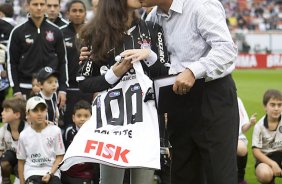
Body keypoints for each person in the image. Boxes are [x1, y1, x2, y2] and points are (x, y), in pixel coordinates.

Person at [139, 0, 239, 184]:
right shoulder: (152, 16)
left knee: (219, 175)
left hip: (212, 95)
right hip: (177, 98)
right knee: (182, 173)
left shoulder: (200, 5)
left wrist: (194, 70)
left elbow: (226, 49)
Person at [77, 0, 170, 183]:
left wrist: (149, 55)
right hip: (113, 123)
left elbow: (165, 73)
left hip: (146, 121)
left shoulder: (152, 28)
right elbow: (83, 82)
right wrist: (113, 74)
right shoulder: (94, 33)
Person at [7, 0, 68, 109]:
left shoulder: (56, 31)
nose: (39, 8)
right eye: (35, 4)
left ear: (45, 6)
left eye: (42, 4)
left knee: (51, 122)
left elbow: (63, 62)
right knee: (27, 124)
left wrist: (62, 89)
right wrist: (16, 90)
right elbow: (12, 63)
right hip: (26, 87)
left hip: (50, 88)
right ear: (27, 6)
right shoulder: (17, 32)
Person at [17, 96, 65, 184]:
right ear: (27, 114)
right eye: (35, 110)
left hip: (52, 171)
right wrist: (22, 182)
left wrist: (50, 174)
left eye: (42, 110)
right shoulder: (24, 135)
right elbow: (21, 161)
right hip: (32, 172)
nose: (39, 113)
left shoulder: (55, 130)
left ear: (46, 111)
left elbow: (60, 156)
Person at [60, 0, 93, 128]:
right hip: (68, 87)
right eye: (74, 11)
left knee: (87, 124)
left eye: (81, 11)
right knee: (68, 124)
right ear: (67, 13)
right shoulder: (60, 33)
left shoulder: (93, 32)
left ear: (85, 13)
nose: (77, 14)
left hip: (88, 87)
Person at [62, 100, 99, 184]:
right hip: (71, 170)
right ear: (73, 118)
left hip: (87, 170)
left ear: (92, 118)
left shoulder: (95, 133)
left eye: (86, 116)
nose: (82, 119)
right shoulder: (68, 131)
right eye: (79, 116)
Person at [252, 89, 282, 184]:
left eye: (279, 105)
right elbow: (256, 151)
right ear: (265, 106)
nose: (276, 108)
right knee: (265, 174)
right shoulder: (259, 126)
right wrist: (273, 164)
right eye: (272, 105)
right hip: (265, 159)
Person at [0, 97, 27, 184]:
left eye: (6, 111)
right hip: (12, 158)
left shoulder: (29, 130)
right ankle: (5, 181)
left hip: (26, 161)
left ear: (17, 115)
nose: (2, 113)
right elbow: (1, 150)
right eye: (3, 110)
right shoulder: (3, 129)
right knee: (4, 162)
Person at [237, 97, 257, 184]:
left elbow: (243, 129)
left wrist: (250, 123)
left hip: (235, 137)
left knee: (241, 148)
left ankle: (240, 179)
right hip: (215, 137)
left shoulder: (237, 100)